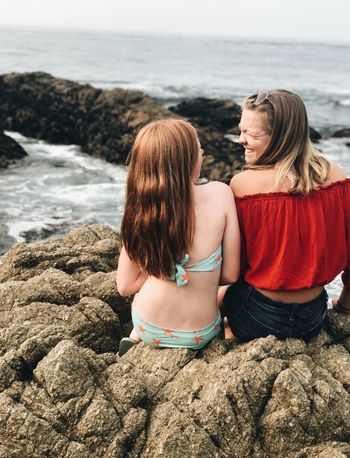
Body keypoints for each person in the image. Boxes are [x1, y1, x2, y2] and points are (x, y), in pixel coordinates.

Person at [219, 89, 350, 341]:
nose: (241, 140)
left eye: (251, 134)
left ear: (281, 137)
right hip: (313, 316)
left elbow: (232, 269)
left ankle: (226, 329)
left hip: (258, 316)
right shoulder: (336, 176)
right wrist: (344, 306)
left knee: (214, 295)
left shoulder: (243, 185)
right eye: (241, 131)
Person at [116, 119, 240, 355]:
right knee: (228, 299)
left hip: (149, 327)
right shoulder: (221, 194)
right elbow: (231, 274)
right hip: (200, 334)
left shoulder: (141, 209)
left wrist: (164, 268)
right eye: (197, 147)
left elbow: (124, 286)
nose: (203, 151)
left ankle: (134, 339)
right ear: (185, 159)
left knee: (143, 300)